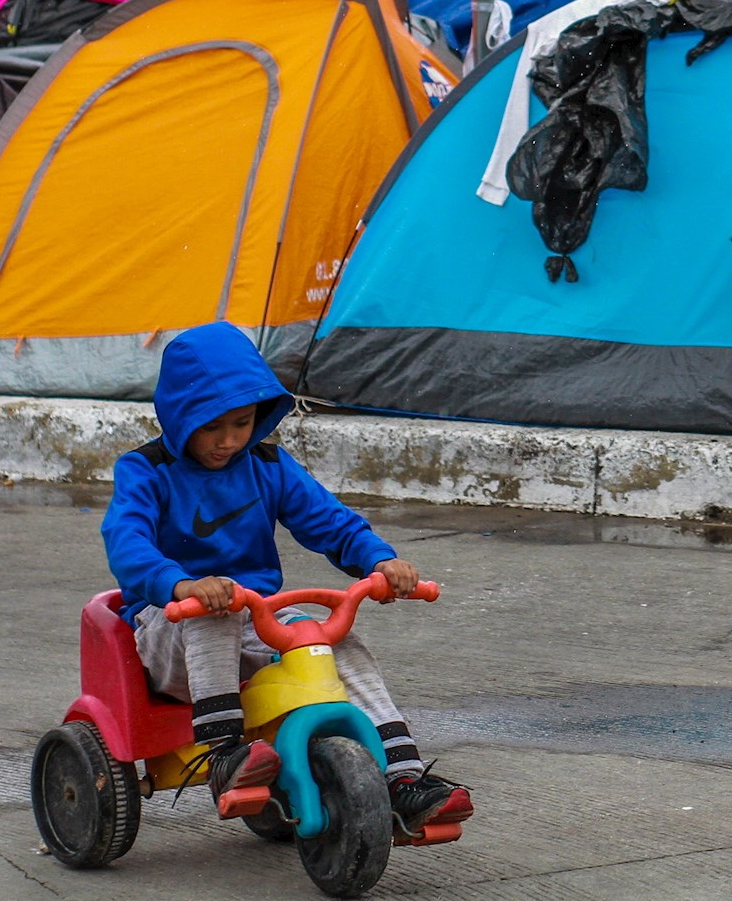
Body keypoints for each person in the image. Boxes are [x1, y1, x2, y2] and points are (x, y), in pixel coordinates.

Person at [102, 322, 472, 832]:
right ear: (180, 415)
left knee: (332, 638)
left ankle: (403, 778)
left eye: (243, 423)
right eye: (212, 426)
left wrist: (378, 561)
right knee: (219, 615)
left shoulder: (268, 463)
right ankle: (225, 754)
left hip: (256, 614)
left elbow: (329, 520)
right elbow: (127, 544)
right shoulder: (146, 470)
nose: (229, 440)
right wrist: (181, 584)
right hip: (171, 626)